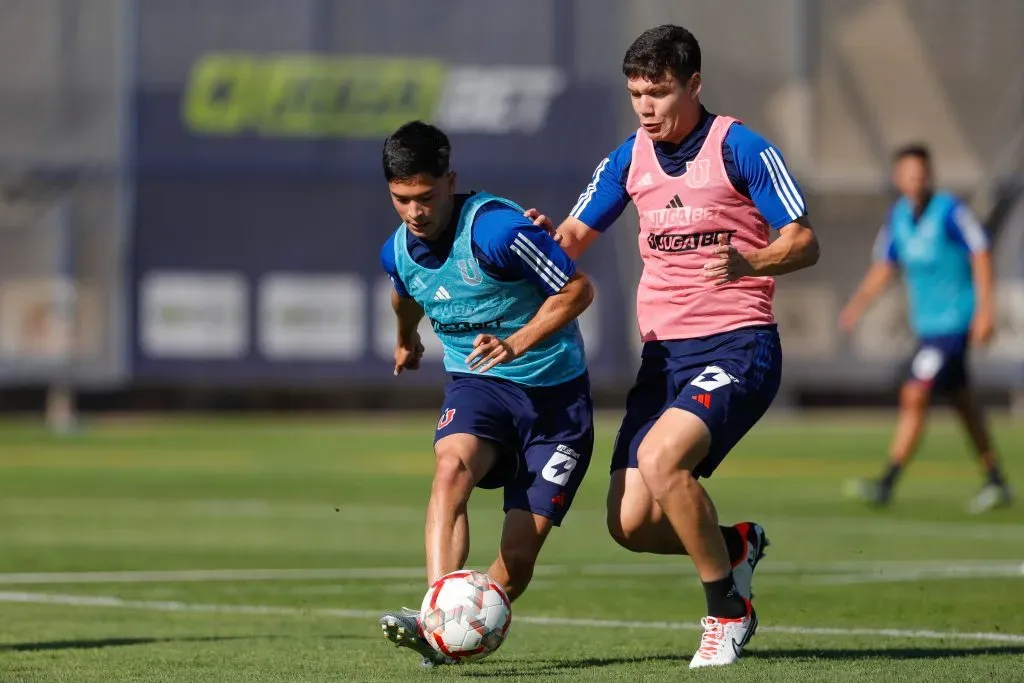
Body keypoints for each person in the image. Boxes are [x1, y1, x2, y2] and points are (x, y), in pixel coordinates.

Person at [524, 25, 820, 668]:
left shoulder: (740, 147)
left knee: (661, 460)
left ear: (694, 85)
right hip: (663, 360)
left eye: (658, 92)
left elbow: (803, 241)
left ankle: (727, 612)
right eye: (636, 94)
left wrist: (751, 261)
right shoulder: (628, 158)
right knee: (630, 524)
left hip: (738, 346)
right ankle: (736, 547)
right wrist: (542, 241)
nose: (646, 107)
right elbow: (574, 235)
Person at [375, 121, 596, 666]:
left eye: (426, 197)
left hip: (555, 401)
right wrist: (406, 340)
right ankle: (435, 618)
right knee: (451, 469)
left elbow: (577, 290)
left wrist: (516, 343)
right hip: (479, 386)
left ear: (450, 182)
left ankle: (458, 628)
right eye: (402, 199)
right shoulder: (396, 251)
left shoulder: (497, 231)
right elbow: (405, 294)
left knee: (516, 561)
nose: (414, 211)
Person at [840, 143, 1012, 514]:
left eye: (921, 174)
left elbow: (981, 252)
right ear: (897, 178)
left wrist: (985, 312)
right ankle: (996, 480)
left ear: (930, 176)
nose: (916, 181)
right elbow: (884, 266)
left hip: (954, 324)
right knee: (964, 403)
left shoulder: (951, 211)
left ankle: (886, 482)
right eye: (909, 175)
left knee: (915, 392)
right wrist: (857, 305)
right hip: (928, 326)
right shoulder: (898, 218)